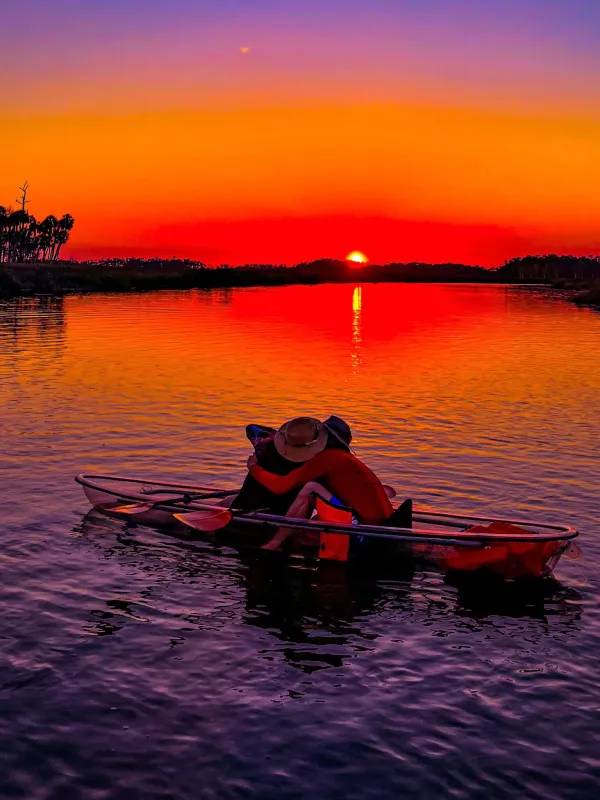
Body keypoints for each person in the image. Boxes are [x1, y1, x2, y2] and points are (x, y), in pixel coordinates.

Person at [246, 417, 412, 550]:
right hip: (383, 523)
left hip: (365, 529)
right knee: (315, 498)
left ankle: (274, 543)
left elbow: (280, 486)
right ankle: (294, 536)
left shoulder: (325, 459)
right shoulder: (345, 460)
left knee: (311, 487)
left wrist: (254, 468)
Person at [230, 415, 353, 514]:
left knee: (229, 502)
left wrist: (253, 467)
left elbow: (252, 429)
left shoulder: (266, 450)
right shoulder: (318, 467)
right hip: (273, 512)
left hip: (253, 504)